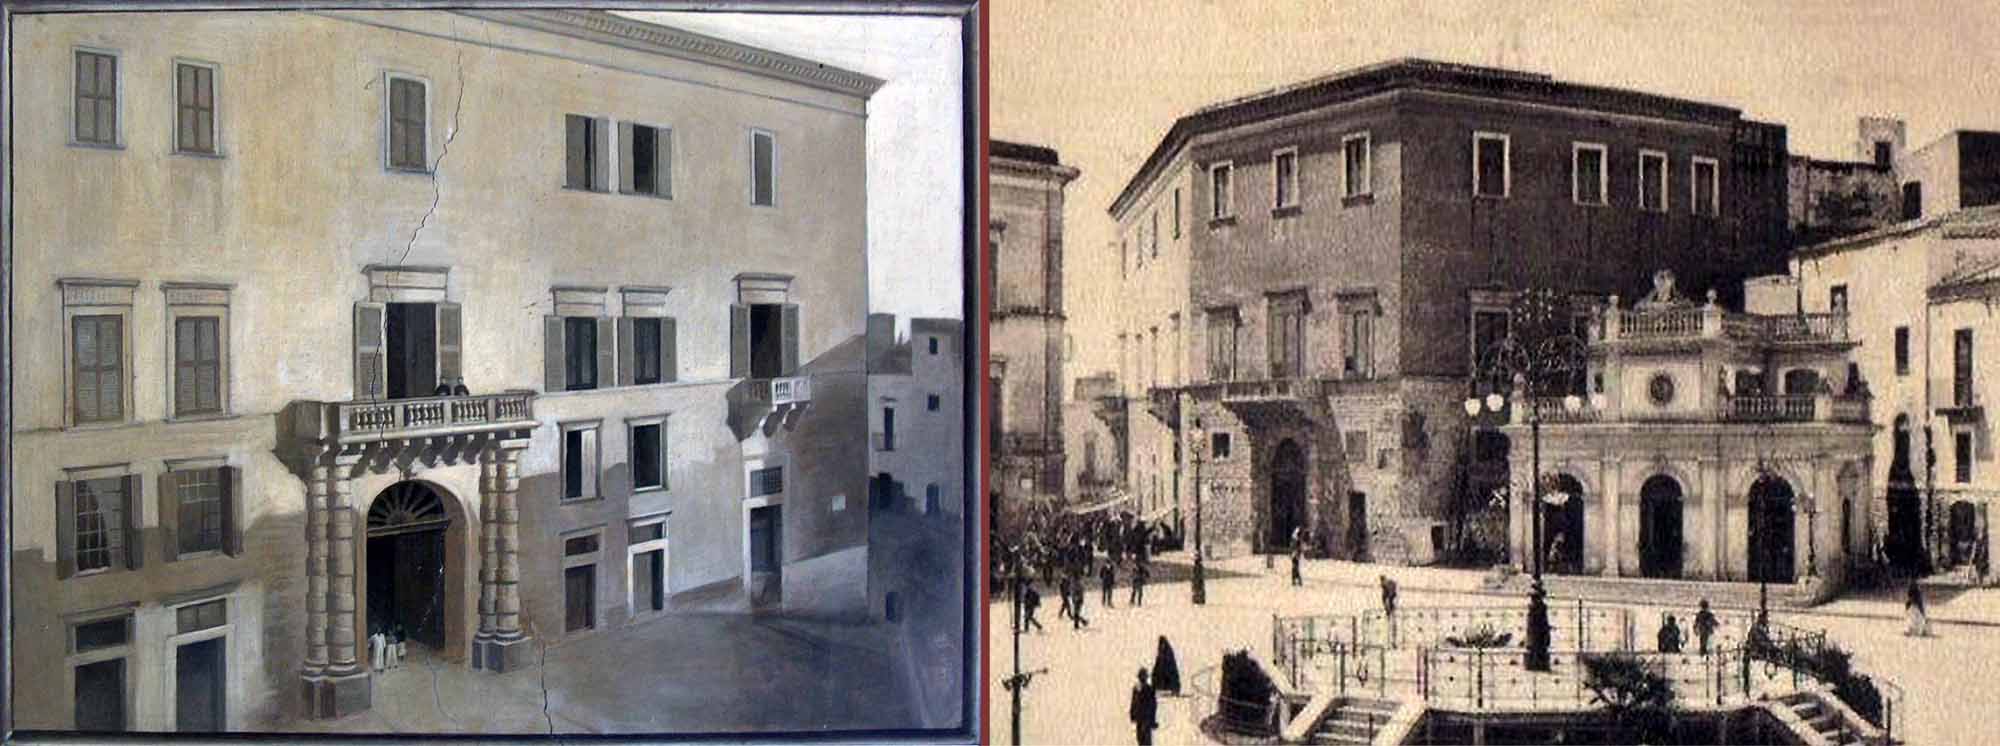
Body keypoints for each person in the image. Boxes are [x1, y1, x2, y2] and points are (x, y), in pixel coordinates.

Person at [1129, 667, 1158, 745]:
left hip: (1146, 719)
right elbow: (1134, 702)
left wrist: (1152, 719)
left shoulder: (1149, 689)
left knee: (1146, 740)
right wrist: (1132, 714)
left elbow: (1153, 705)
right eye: (1141, 676)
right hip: (1140, 719)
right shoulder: (1136, 688)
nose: (1142, 678)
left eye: (1143, 676)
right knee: (1140, 739)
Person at [1379, 574, 1399, 646]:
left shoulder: (1389, 588)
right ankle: (1391, 641)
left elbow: (1389, 598)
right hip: (1390, 607)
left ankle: (1393, 642)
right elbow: (1385, 598)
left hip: (1391, 608)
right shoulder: (1385, 587)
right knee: (1390, 623)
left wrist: (1388, 606)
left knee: (1392, 623)